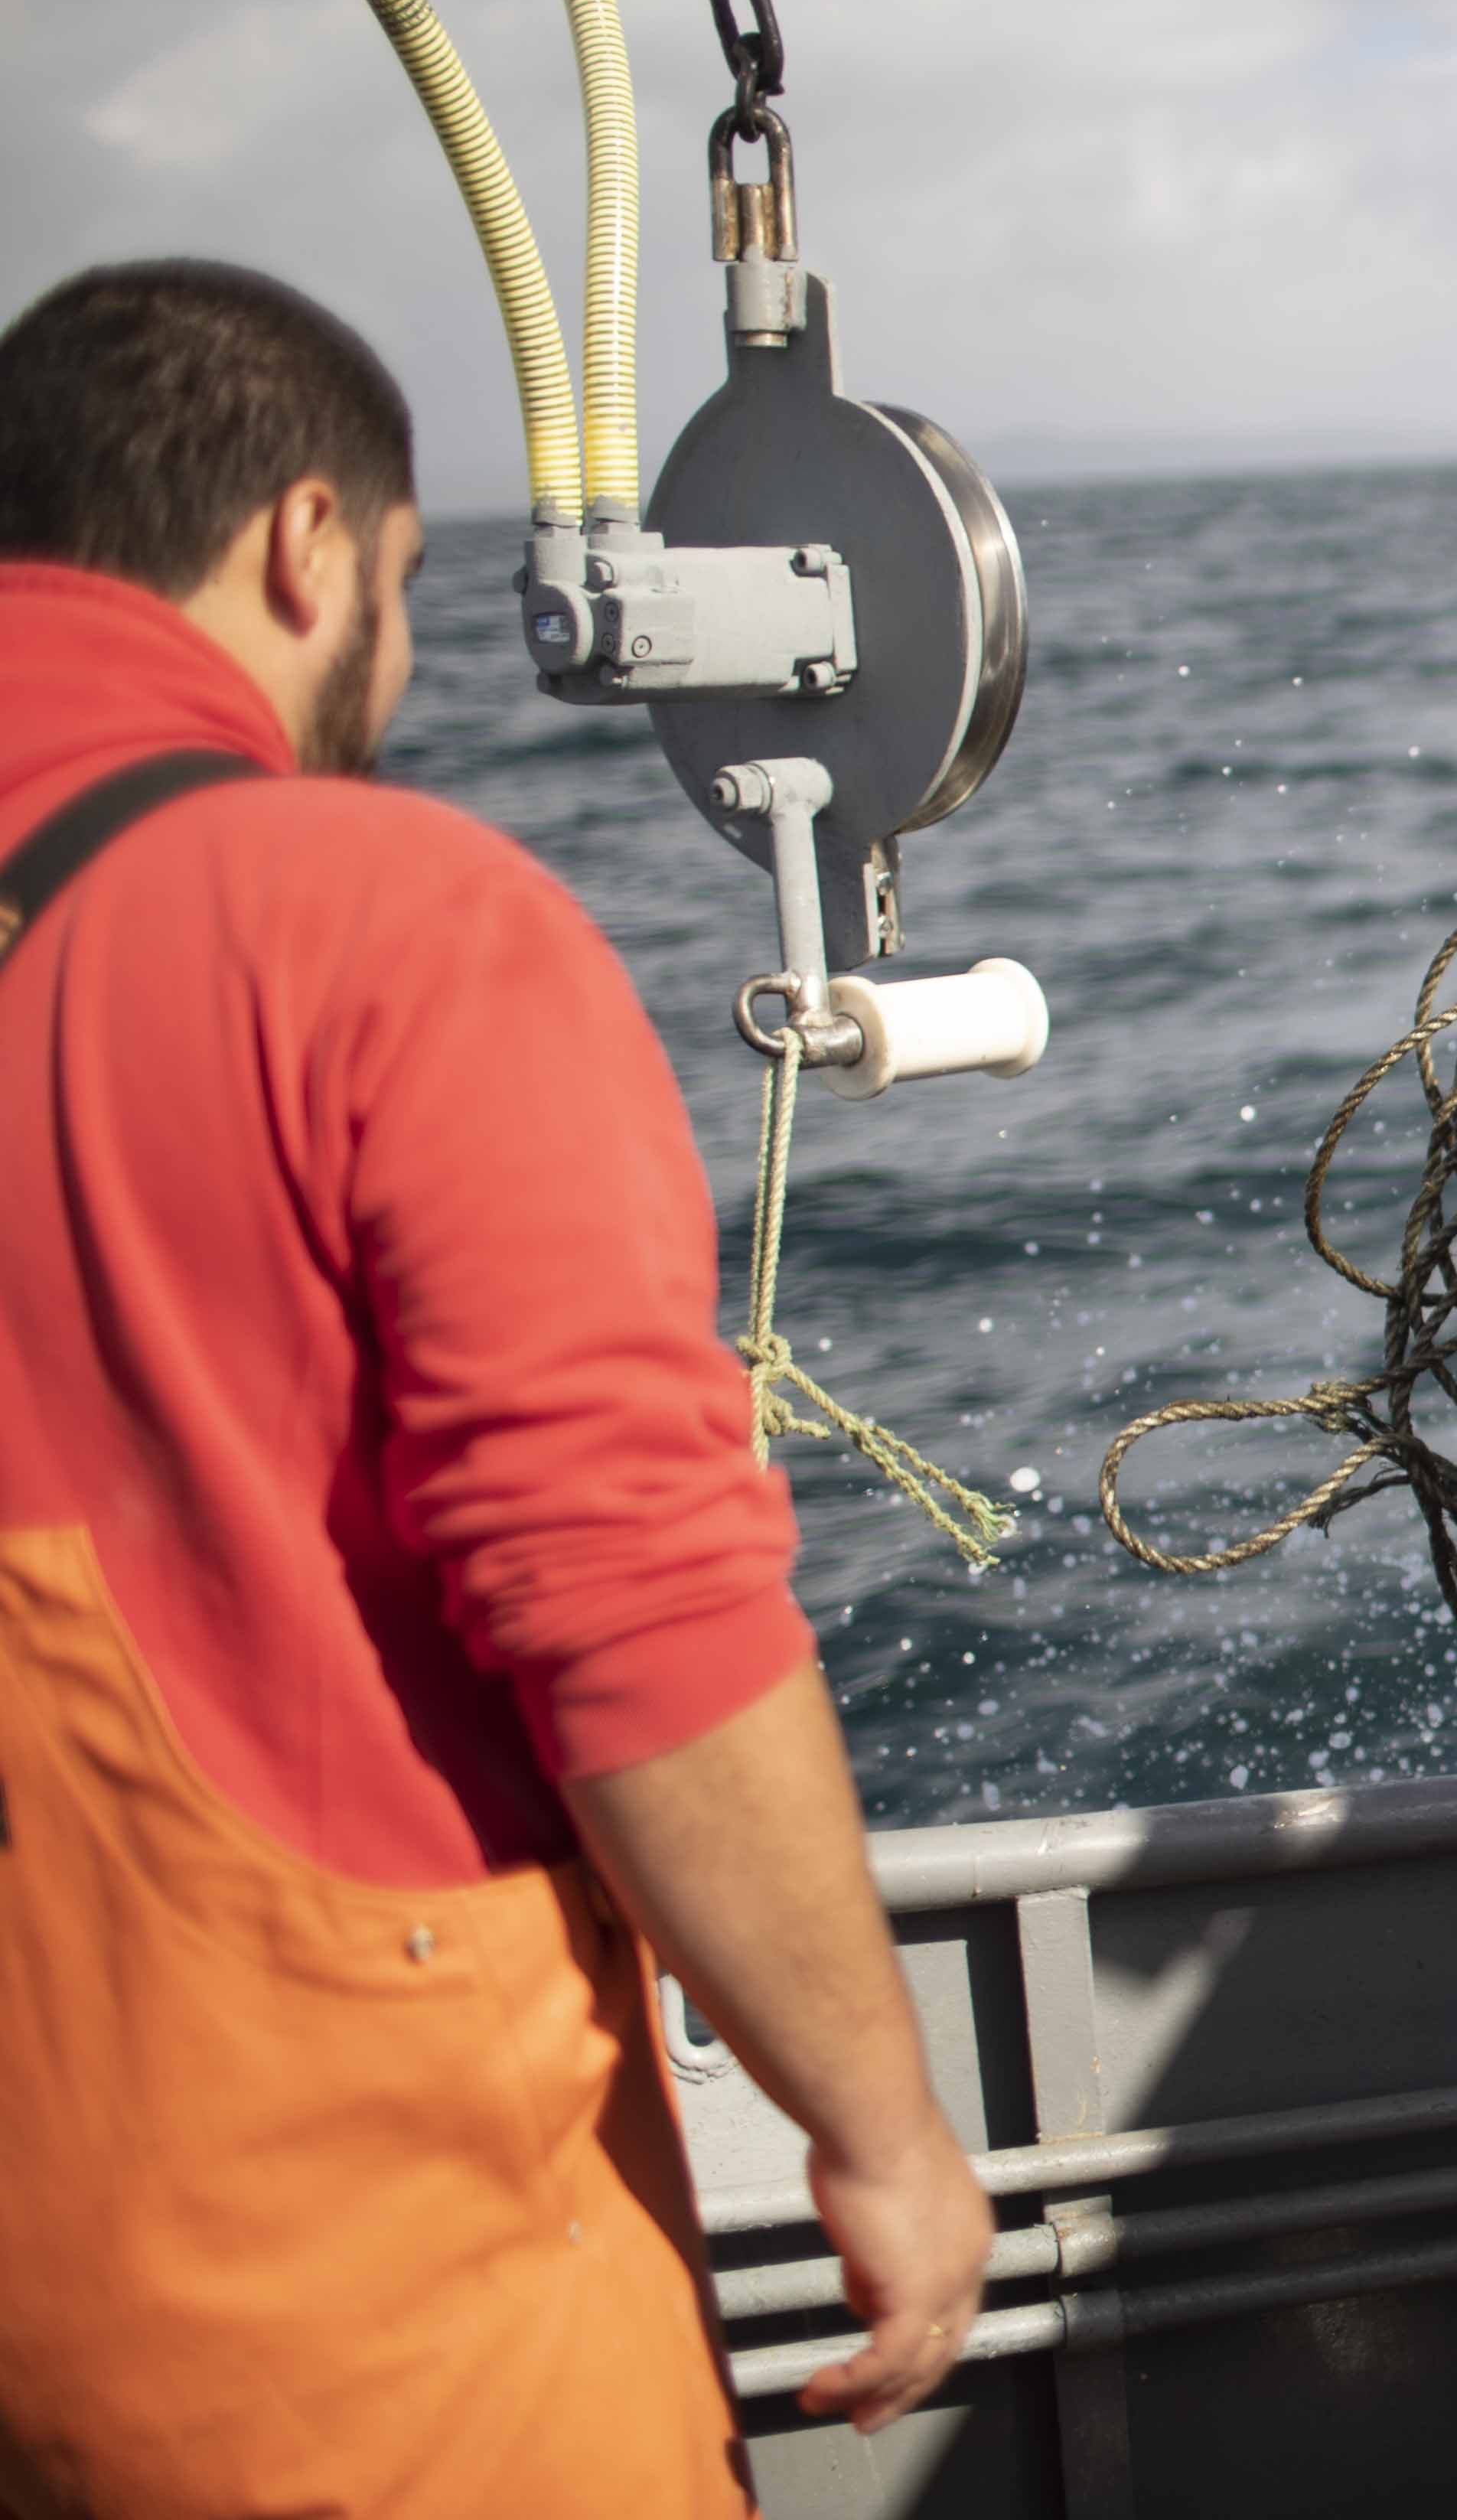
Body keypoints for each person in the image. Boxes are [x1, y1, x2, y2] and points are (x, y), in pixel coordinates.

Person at [0, 262, 989, 2516]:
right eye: (418, 592)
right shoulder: (363, 917)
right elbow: (630, 1608)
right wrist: (882, 2127)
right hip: (316, 2330)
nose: (410, 663)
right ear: (308, 548)